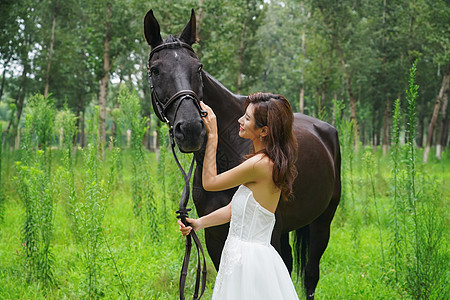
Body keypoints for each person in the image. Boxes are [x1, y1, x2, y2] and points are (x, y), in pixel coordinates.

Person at [178, 92, 299, 299]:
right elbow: (237, 208)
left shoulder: (259, 165)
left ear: (263, 131)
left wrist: (213, 135)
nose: (240, 120)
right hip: (243, 257)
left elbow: (209, 182)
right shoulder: (266, 162)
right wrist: (199, 223)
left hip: (248, 262)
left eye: (247, 118)